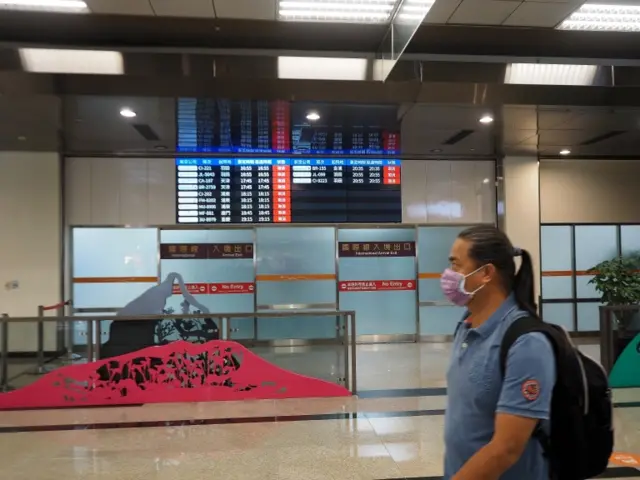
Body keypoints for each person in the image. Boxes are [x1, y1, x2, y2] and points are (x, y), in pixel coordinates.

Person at [442, 225, 555, 480]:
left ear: (486, 273)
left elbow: (507, 449)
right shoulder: (467, 325)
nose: (448, 274)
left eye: (456, 264)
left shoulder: (527, 343)